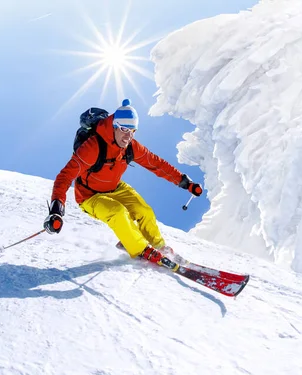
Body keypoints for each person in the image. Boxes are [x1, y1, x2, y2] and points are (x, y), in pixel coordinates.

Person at [43, 99, 203, 263]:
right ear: (114, 126)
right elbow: (65, 176)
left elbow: (157, 164)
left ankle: (160, 247)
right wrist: (56, 208)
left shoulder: (131, 146)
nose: (128, 136)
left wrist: (185, 183)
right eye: (124, 130)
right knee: (118, 212)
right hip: (89, 195)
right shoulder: (92, 147)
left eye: (133, 131)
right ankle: (141, 250)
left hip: (116, 188)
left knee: (144, 211)